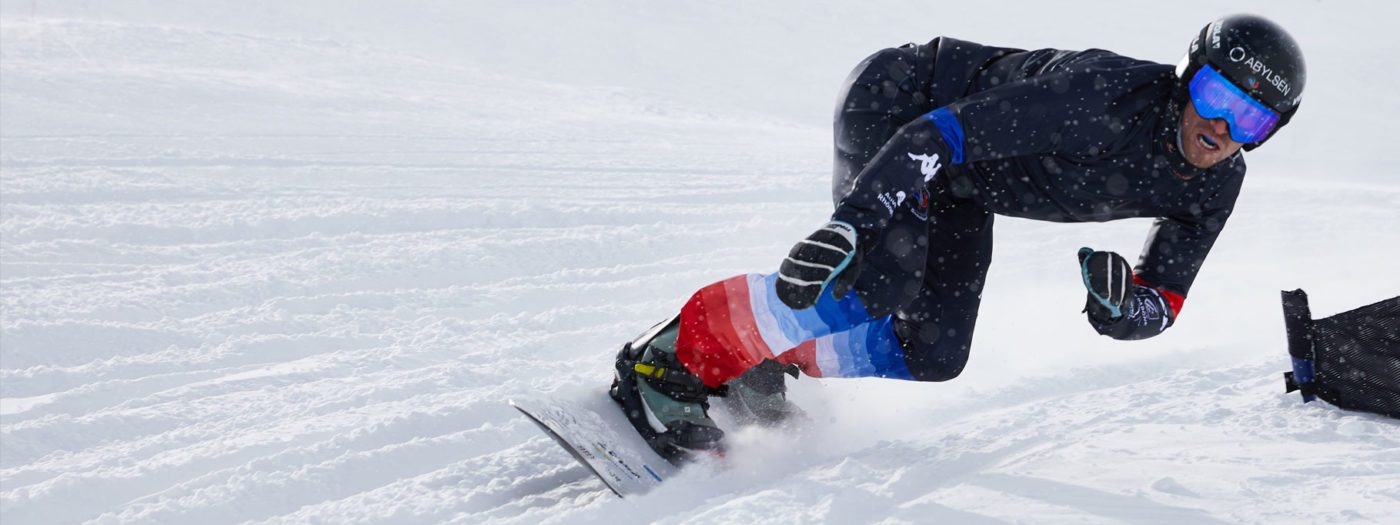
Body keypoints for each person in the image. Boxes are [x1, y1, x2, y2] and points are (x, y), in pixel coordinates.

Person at [609, 14, 1306, 464]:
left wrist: (1122, 311)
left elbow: (1165, 300)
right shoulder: (1103, 99)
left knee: (933, 351)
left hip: (965, 183)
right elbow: (941, 131)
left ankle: (762, 358)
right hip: (904, 104)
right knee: (879, 279)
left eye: (1251, 120)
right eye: (1217, 96)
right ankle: (667, 360)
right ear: (1187, 77)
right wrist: (859, 222)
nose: (1222, 128)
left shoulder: (1215, 185)